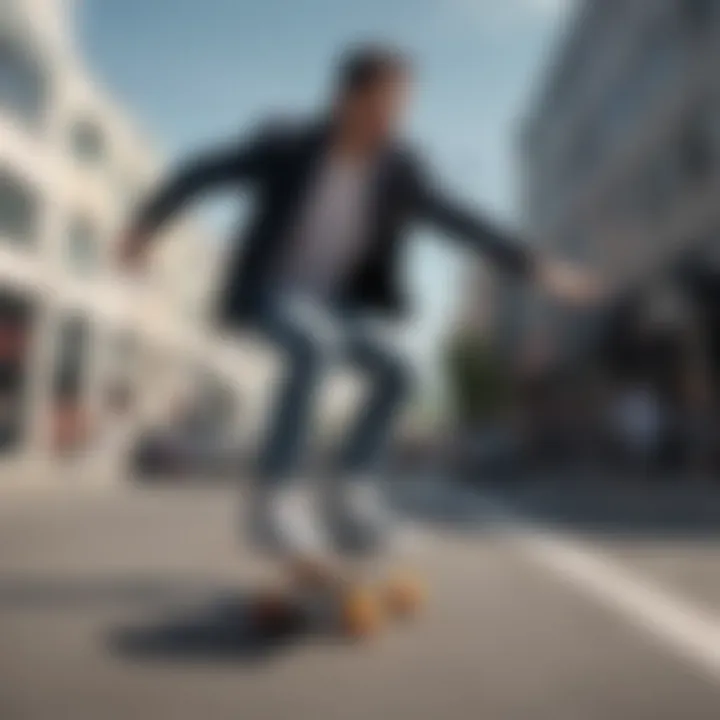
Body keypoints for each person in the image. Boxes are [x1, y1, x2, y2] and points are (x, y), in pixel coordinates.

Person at [119, 45, 596, 567]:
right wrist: (146, 224)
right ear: (347, 98)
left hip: (338, 308)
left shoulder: (399, 168)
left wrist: (537, 268)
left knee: (402, 369)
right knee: (311, 343)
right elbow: (201, 171)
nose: (393, 119)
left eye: (401, 107)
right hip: (268, 293)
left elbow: (460, 220)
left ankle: (351, 493)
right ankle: (275, 499)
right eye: (383, 104)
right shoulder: (287, 145)